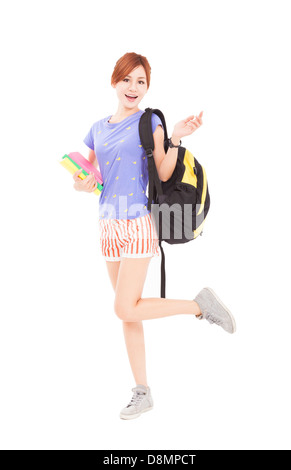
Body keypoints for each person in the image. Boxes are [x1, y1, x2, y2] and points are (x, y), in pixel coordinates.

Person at [73, 52, 236, 421]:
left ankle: (199, 306)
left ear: (147, 87)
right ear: (114, 82)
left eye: (141, 81)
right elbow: (91, 177)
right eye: (127, 80)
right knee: (128, 313)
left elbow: (163, 173)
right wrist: (82, 184)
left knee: (122, 306)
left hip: (139, 223)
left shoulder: (150, 123)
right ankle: (142, 391)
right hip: (108, 224)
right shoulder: (97, 128)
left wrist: (176, 136)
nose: (133, 87)